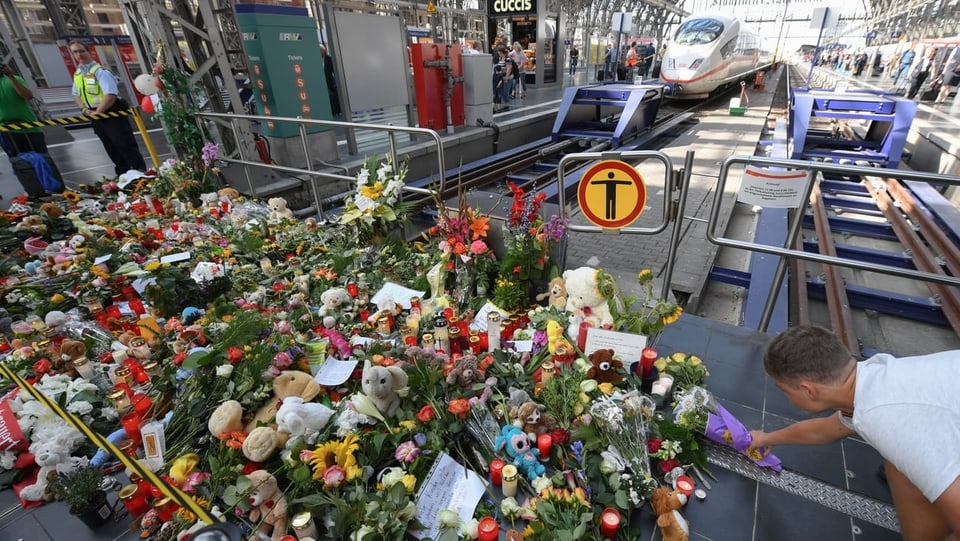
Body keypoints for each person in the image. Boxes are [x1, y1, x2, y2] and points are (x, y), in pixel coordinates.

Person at [748, 325, 960, 541]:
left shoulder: (892, 422)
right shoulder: (873, 378)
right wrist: (767, 439)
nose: (785, 395)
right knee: (897, 466)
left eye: (784, 390)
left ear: (808, 390)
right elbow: (822, 431)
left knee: (901, 461)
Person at [69, 40, 146, 176]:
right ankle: (124, 176)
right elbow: (76, 95)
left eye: (81, 50)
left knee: (125, 145)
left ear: (88, 52)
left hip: (111, 113)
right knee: (111, 148)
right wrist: (85, 110)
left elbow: (110, 94)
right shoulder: (78, 74)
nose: (79, 54)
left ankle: (140, 173)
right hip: (95, 115)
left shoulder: (100, 71)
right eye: (75, 52)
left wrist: (98, 112)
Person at [0, 62, 48, 157]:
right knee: (20, 164)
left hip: (29, 126)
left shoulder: (16, 79)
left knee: (43, 159)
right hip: (7, 131)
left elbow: (28, 96)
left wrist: (11, 77)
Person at [320, 45, 341, 117]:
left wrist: (336, 82)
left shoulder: (329, 59)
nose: (320, 52)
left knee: (333, 97)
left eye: (321, 51)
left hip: (330, 82)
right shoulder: (316, 60)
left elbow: (334, 71)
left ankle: (338, 112)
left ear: (324, 51)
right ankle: (332, 113)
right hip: (321, 83)